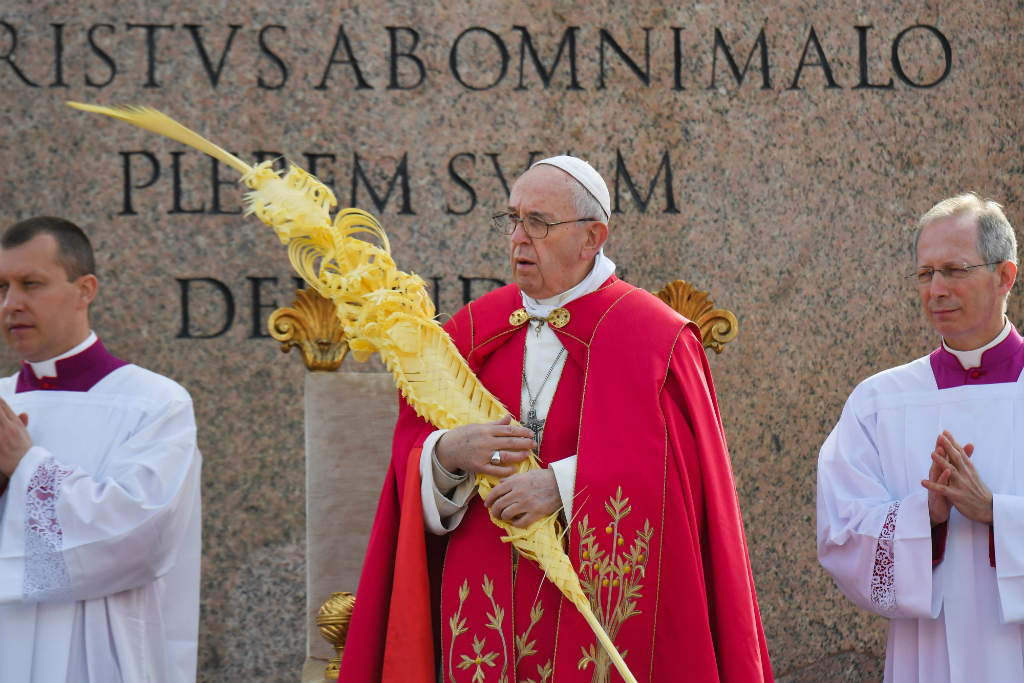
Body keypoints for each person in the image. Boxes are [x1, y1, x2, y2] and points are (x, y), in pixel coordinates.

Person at [340, 157, 773, 682]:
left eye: (538, 223)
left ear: (593, 237)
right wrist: (448, 455)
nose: (519, 238)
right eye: (512, 220)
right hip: (479, 614)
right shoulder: (471, 330)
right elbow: (409, 455)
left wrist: (566, 488)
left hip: (595, 614)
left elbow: (684, 482)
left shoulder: (655, 340)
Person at [817, 193, 1024, 682]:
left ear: (1004, 276)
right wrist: (923, 517)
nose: (936, 289)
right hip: (929, 658)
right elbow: (841, 533)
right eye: (926, 274)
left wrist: (995, 512)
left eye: (954, 270)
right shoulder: (879, 402)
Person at [0, 217, 202, 683]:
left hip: (96, 656)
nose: (12, 304)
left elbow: (139, 535)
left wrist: (27, 467)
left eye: (31, 284)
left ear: (84, 289)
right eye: (3, 287)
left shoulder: (154, 403)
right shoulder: (3, 399)